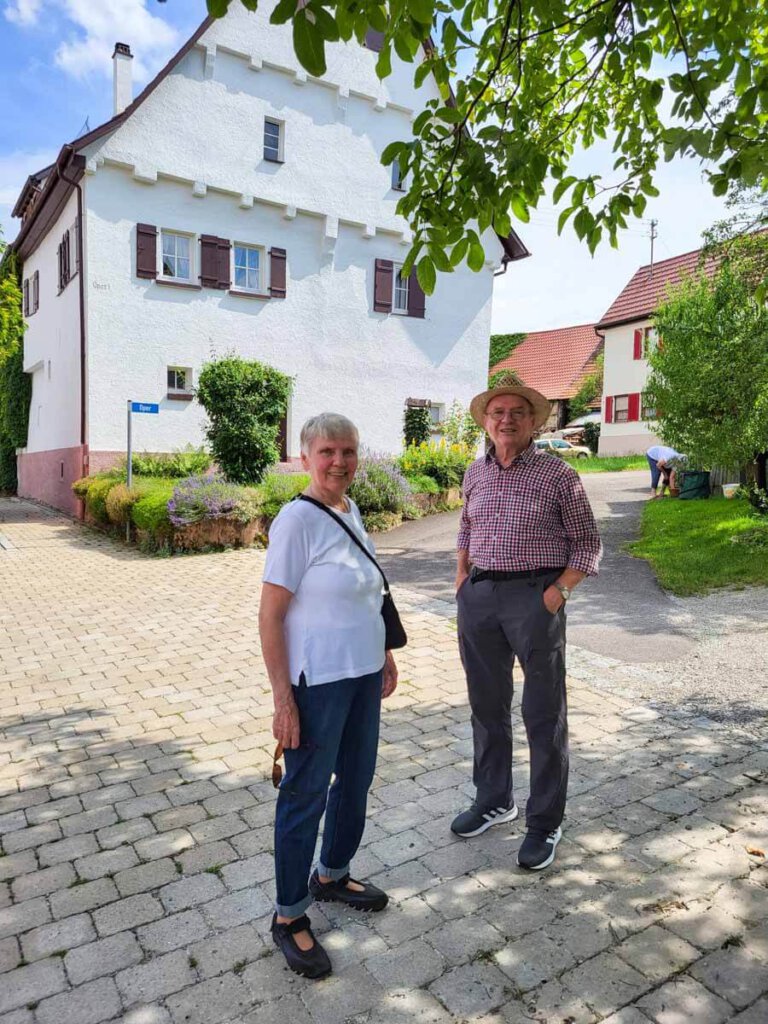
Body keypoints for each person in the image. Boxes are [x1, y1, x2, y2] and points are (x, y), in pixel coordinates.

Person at [259, 413, 398, 979]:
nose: (339, 462)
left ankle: (332, 874)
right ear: (305, 457)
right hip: (317, 682)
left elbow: (365, 591)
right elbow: (271, 616)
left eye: (348, 451)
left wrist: (383, 652)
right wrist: (283, 700)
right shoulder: (296, 521)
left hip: (364, 675)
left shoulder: (348, 508)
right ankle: (289, 914)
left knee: (357, 780)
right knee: (305, 793)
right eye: (327, 452)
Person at [452, 385, 602, 871]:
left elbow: (588, 543)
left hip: (535, 599)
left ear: (534, 422)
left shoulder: (559, 474)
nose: (507, 420)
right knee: (486, 705)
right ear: (486, 422)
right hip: (480, 598)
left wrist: (557, 593)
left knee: (542, 713)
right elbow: (466, 530)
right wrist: (462, 579)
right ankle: (495, 799)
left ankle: (544, 822)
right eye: (498, 413)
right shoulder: (475, 472)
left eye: (518, 413)